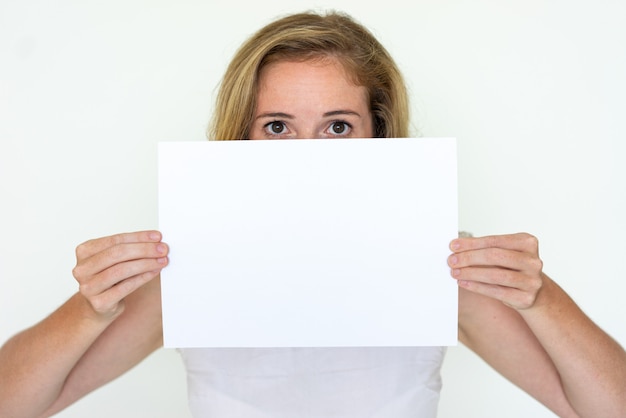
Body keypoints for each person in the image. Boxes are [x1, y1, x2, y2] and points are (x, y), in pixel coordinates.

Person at [0, 10, 625, 418]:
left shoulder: (435, 261)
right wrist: (89, 308)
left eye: (337, 126)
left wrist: (543, 301)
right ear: (240, 138)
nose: (306, 154)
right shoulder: (192, 265)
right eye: (277, 126)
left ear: (378, 136)